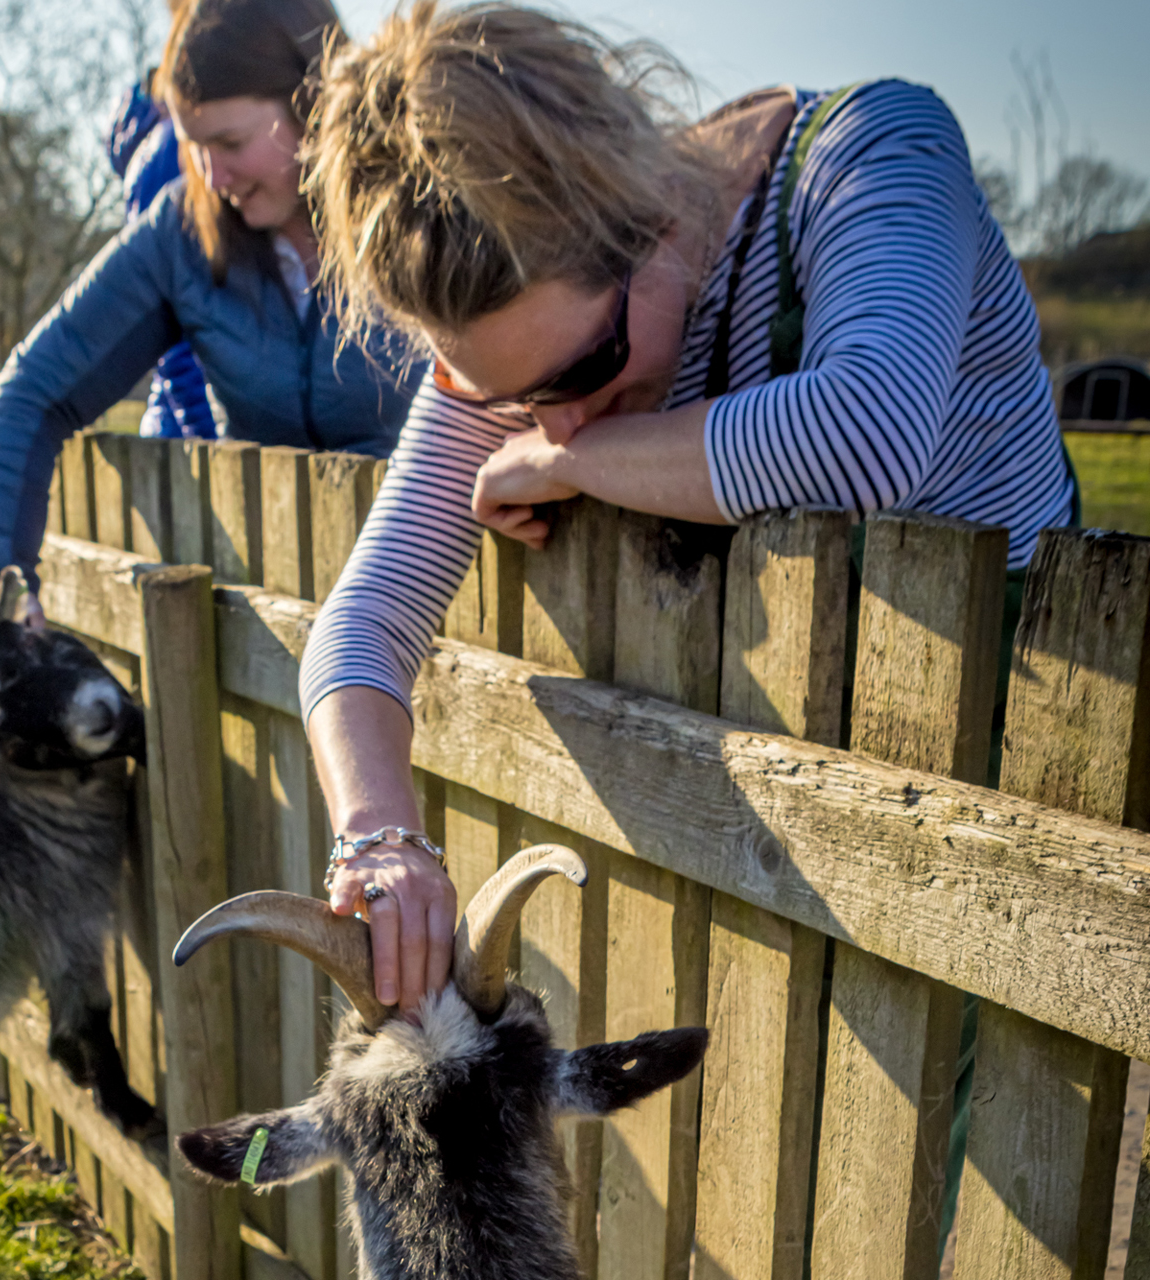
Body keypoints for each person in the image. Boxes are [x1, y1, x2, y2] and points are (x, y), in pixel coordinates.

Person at [294, 2, 1076, 1016]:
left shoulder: (876, 149)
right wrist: (380, 838)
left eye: (585, 367)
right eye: (507, 398)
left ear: (654, 213)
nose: (557, 411)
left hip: (1008, 757)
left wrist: (575, 459)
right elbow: (362, 621)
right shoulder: (518, 329)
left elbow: (868, 429)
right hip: (772, 817)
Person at [0, 0, 424, 621]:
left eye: (229, 142)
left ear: (316, 104)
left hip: (451, 599)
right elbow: (34, 390)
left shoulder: (424, 214)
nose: (212, 172)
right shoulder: (181, 233)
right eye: (193, 145)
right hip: (269, 611)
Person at [105, 71, 218, 439]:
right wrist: (202, 430)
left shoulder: (151, 153)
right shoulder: (168, 150)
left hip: (172, 415)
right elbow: (170, 312)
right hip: (189, 424)